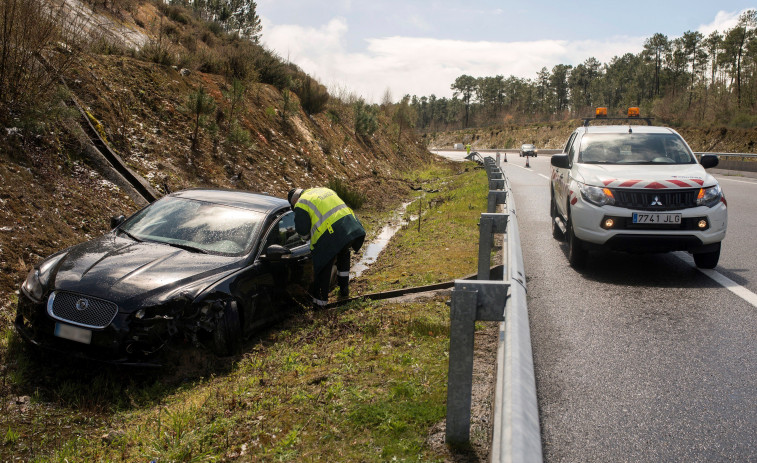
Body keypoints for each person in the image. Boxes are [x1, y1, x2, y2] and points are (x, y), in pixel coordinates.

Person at [288, 187, 366, 309]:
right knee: (344, 253)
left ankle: (320, 306)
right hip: (350, 226)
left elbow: (303, 233)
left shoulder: (301, 203)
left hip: (330, 234)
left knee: (322, 268)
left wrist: (302, 236)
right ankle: (344, 289)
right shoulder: (324, 190)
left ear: (294, 201)